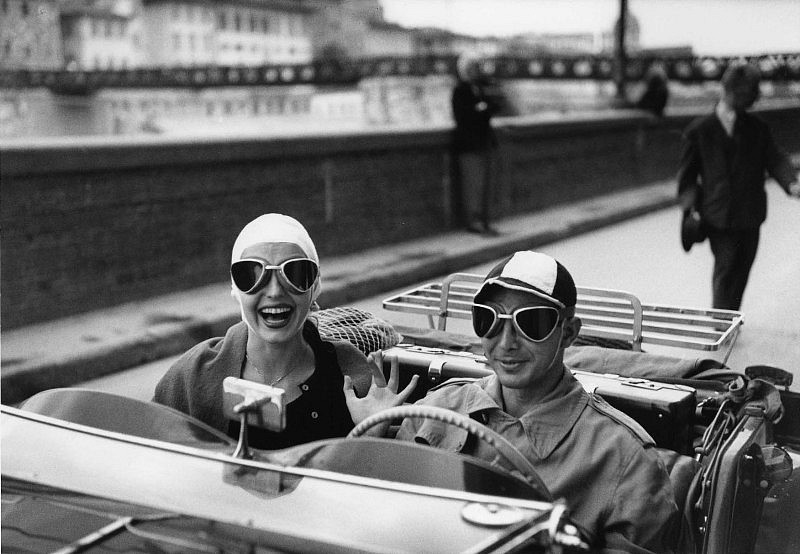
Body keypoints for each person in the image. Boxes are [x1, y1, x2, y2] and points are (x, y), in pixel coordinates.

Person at [390, 251, 679, 552]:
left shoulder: (624, 459)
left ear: (568, 333)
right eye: (489, 319)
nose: (505, 343)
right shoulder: (436, 409)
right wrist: (372, 431)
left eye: (531, 323)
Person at [154, 213, 416, 449]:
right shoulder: (194, 375)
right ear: (236, 289)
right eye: (252, 274)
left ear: (314, 287)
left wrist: (369, 436)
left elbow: (355, 489)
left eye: (295, 273)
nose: (275, 291)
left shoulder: (351, 374)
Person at [677, 62, 800, 310]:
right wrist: (690, 210)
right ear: (730, 91)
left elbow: (775, 157)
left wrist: (792, 183)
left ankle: (730, 317)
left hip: (751, 215)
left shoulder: (758, 128)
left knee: (742, 269)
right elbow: (687, 177)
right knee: (726, 268)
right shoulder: (699, 131)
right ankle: (721, 324)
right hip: (718, 216)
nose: (754, 100)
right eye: (749, 93)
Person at [451, 52, 501, 235]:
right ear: (465, 70)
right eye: (472, 68)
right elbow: (463, 116)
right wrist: (481, 110)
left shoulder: (478, 88)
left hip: (483, 143)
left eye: (477, 68)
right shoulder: (460, 90)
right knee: (472, 184)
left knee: (484, 185)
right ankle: (473, 221)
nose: (476, 71)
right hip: (469, 145)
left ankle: (484, 220)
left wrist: (482, 109)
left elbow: (491, 107)